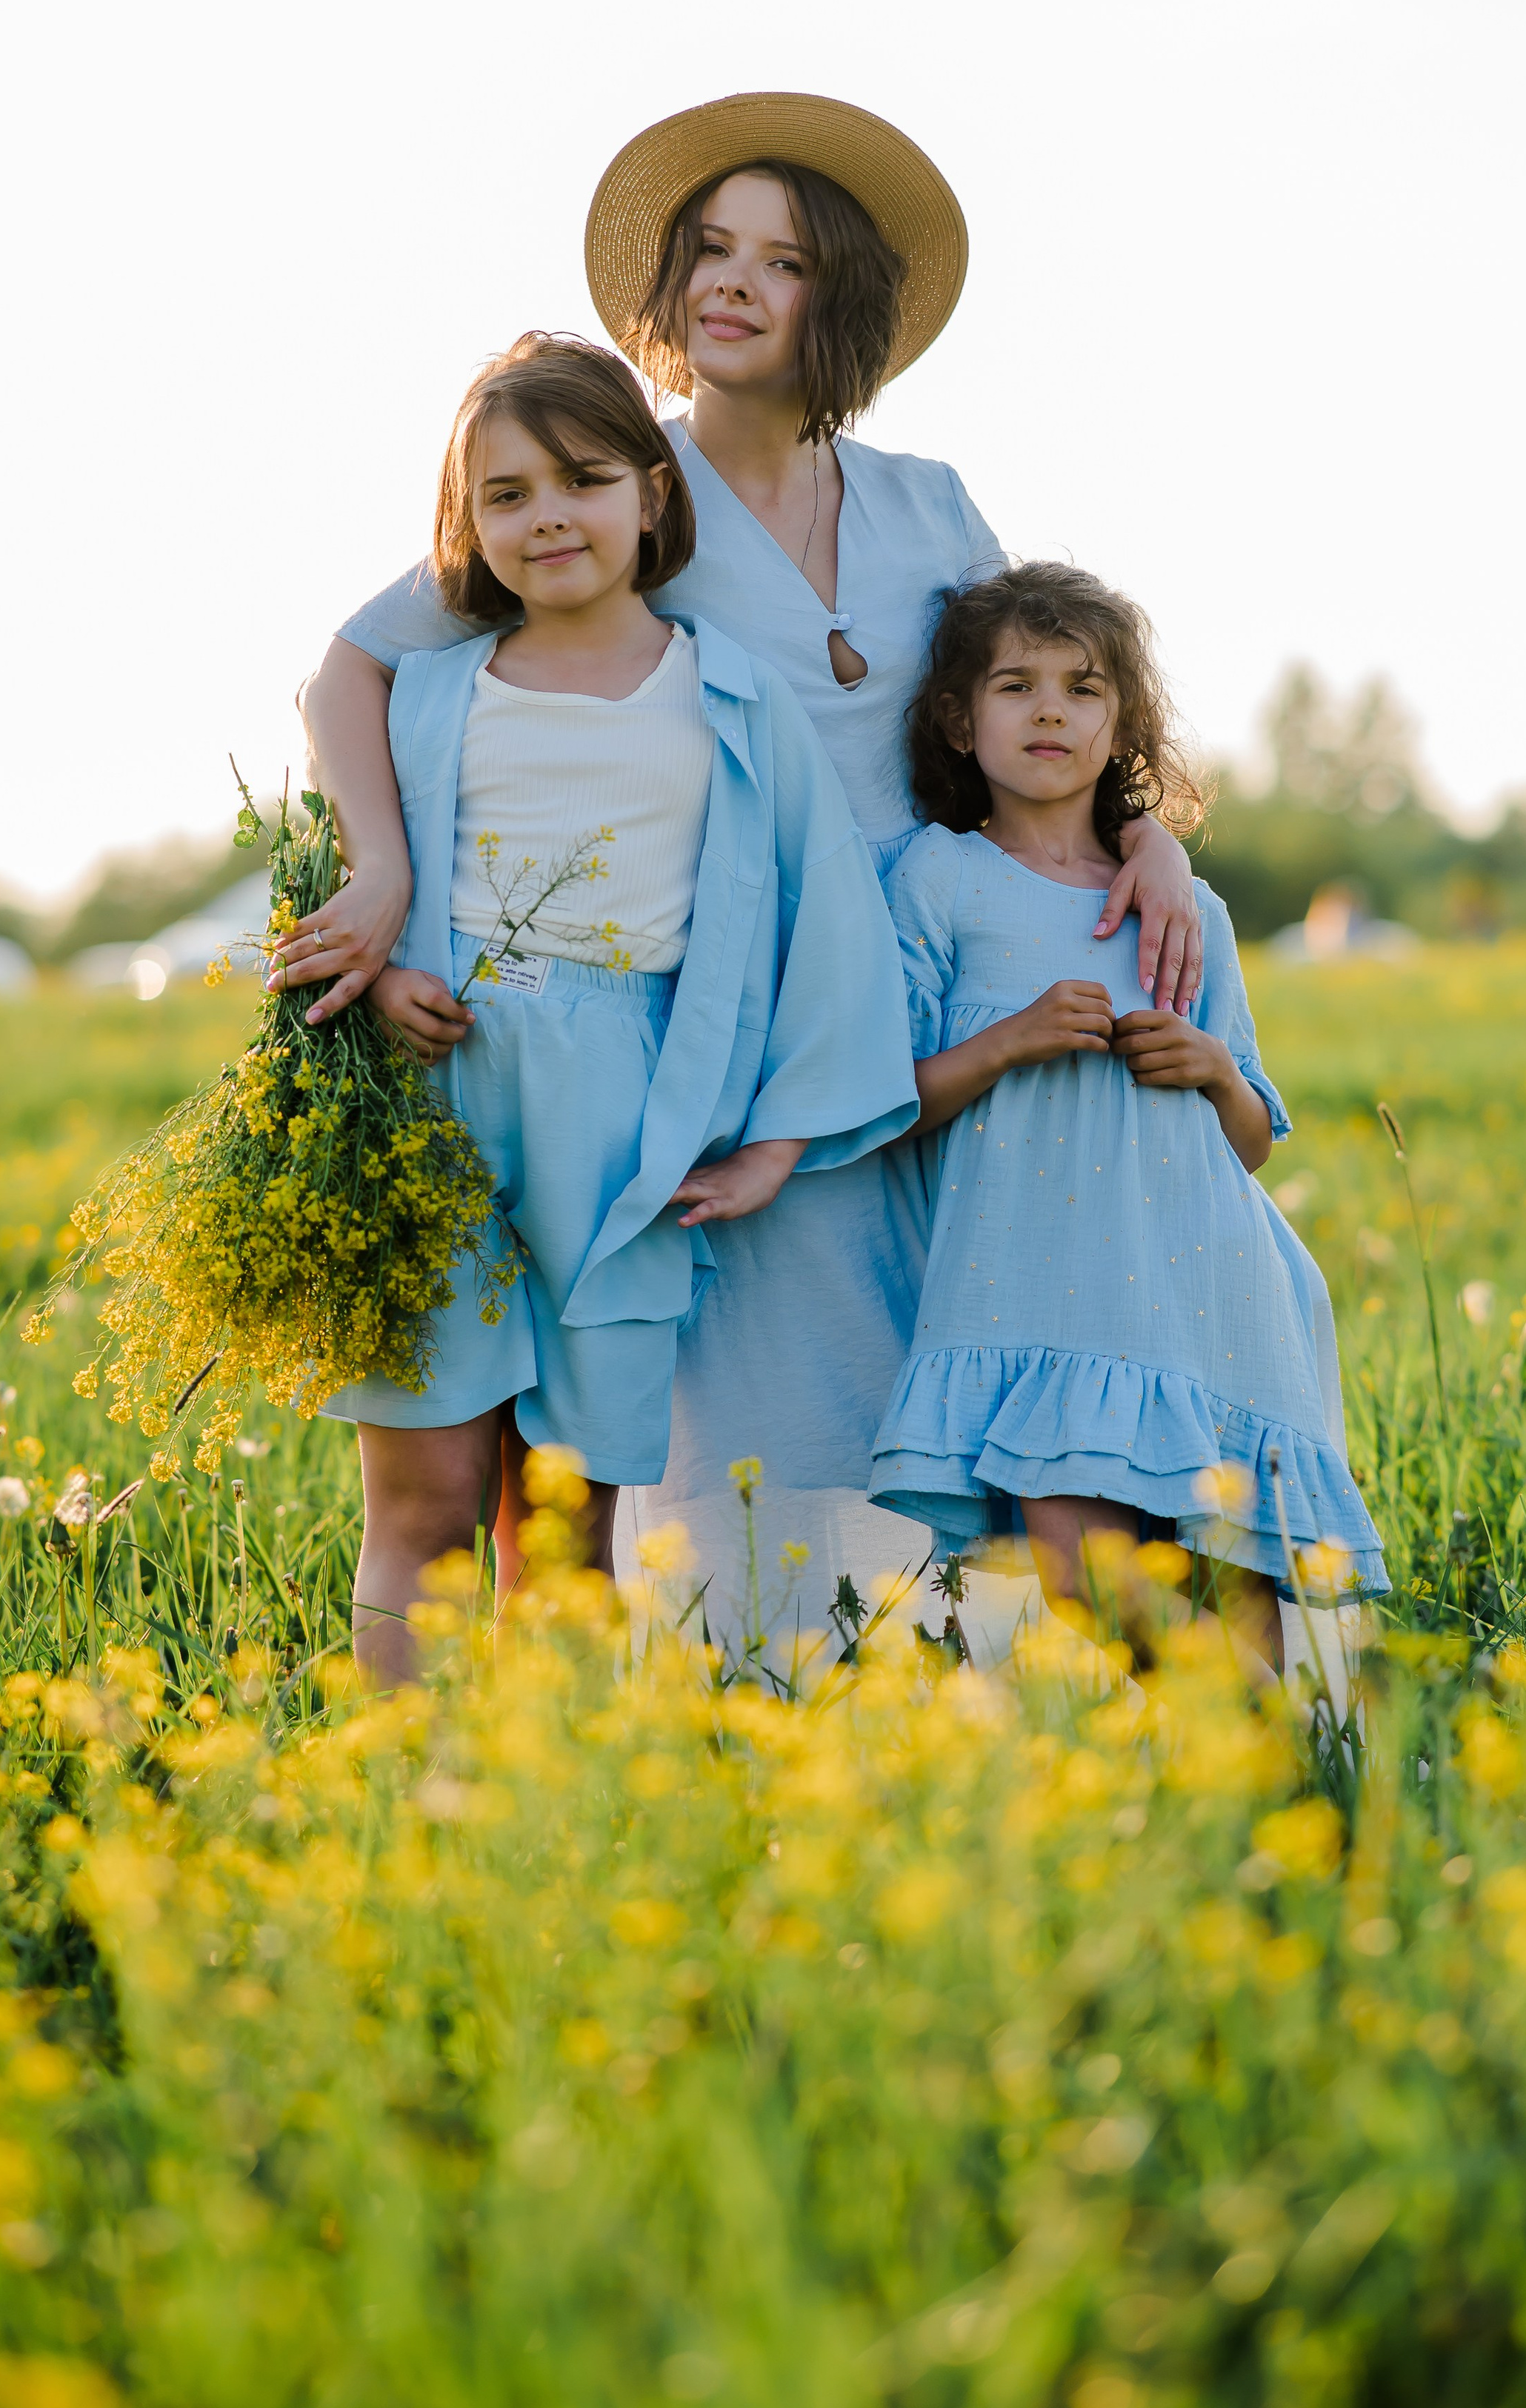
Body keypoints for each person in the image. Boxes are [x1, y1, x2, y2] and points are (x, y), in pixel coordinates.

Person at [281, 94, 1205, 1650]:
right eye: (710, 249)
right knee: (727, 1376)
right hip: (724, 1000)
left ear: (839, 300)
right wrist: (380, 878)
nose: (731, 282)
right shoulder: (613, 485)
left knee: (955, 1344)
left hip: (938, 989)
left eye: (781, 261)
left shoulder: (929, 501)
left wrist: (1147, 833)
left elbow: (1045, 698)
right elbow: (354, 670)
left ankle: (955, 1688)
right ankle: (745, 1683)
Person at [330, 333, 916, 1685]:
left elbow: (826, 916)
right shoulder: (432, 692)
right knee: (424, 1503)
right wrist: (389, 967)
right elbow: (354, 871)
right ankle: (403, 1780)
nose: (547, 517)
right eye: (506, 496)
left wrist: (778, 1141)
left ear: (654, 493)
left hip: (624, 1130)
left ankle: (547, 1785)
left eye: (583, 481)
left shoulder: (726, 695)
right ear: (467, 527)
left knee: (562, 1521)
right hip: (435, 1101)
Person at [870, 561, 1387, 1665]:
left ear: (1122, 729)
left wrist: (1215, 1069)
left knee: (1233, 1591)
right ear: (960, 722)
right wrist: (1008, 1041)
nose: (1050, 711)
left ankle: (1264, 1771)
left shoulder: (1187, 907)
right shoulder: (938, 878)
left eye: (1084, 688)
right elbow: (884, 1104)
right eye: (1016, 686)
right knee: (1083, 1578)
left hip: (1208, 1293)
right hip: (1038, 1302)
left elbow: (1250, 1144)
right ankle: (1262, 1744)